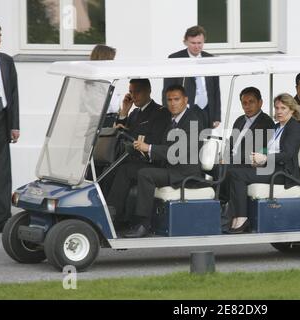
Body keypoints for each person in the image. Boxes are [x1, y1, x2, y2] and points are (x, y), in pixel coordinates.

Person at [108, 85, 203, 238]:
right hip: (169, 167)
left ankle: (143, 224)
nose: (172, 103)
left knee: (146, 174)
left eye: (176, 99)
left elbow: (177, 152)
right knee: (126, 169)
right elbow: (161, 144)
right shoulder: (172, 120)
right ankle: (113, 215)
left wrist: (149, 148)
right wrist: (144, 148)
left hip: (184, 173)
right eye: (169, 100)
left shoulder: (192, 121)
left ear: (185, 100)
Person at [226, 94, 300, 234]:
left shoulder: (294, 127)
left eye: (283, 108)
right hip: (271, 167)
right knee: (233, 168)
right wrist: (258, 157)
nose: (279, 111)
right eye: (277, 108)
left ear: (292, 110)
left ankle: (242, 217)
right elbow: (268, 147)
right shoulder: (276, 127)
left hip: (283, 172)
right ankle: (232, 214)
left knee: (238, 174)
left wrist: (265, 158)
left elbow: (287, 154)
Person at [162, 26, 221, 129]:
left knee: (206, 141)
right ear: (185, 42)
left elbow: (216, 89)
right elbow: (167, 89)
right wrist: (169, 113)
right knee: (190, 142)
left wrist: (217, 116)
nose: (197, 46)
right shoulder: (175, 59)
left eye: (200, 43)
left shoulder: (210, 59)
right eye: (193, 43)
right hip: (186, 110)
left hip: (207, 110)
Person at [0, 23, 19, 233]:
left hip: (2, 120)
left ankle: (2, 219)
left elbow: (13, 94)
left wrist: (15, 126)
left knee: (2, 171)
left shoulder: (6, 61)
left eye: (0, 35)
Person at [229, 87, 275, 165]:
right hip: (232, 160)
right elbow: (231, 144)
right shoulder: (239, 120)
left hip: (248, 164)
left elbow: (252, 151)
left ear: (260, 103)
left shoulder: (266, 123)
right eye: (244, 103)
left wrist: (229, 160)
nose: (247, 106)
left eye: (251, 102)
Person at [89, 44, 120, 127]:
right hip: (106, 121)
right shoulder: (106, 81)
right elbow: (114, 107)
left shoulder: (88, 79)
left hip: (92, 120)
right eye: (112, 59)